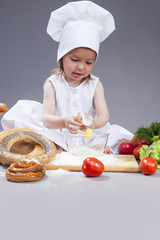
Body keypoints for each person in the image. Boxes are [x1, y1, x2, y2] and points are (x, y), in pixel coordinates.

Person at [1, 1, 133, 153]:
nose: (81, 67)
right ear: (62, 56)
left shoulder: (96, 85)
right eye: (75, 60)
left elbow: (104, 115)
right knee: (26, 114)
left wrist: (93, 125)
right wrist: (65, 122)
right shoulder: (53, 84)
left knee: (119, 137)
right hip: (60, 131)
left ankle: (97, 146)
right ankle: (58, 145)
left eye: (89, 62)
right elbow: (47, 118)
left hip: (88, 134)